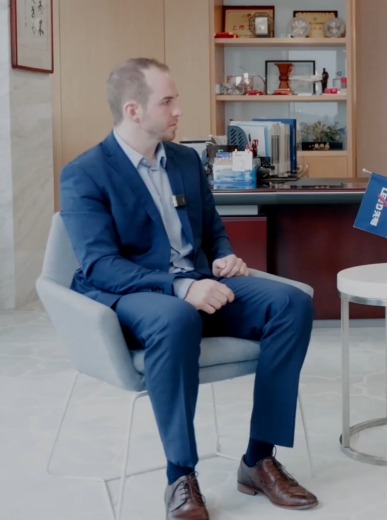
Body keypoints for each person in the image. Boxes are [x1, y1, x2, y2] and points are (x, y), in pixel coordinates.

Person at [60, 58, 318, 519]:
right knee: (177, 317)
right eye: (167, 101)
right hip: (136, 294)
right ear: (134, 110)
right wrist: (181, 287)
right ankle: (180, 476)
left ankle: (258, 460)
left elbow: (211, 228)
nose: (179, 110)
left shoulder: (184, 160)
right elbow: (101, 266)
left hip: (199, 283)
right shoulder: (86, 173)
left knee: (292, 304)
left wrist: (223, 256)